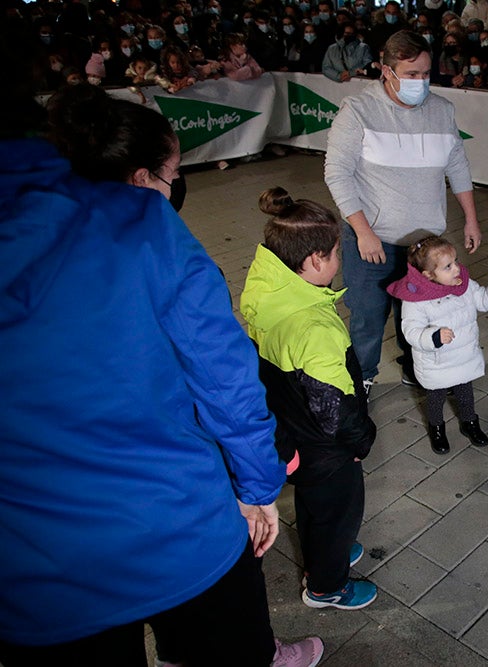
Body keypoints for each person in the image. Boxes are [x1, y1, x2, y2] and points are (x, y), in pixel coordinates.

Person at [0, 80, 321, 665]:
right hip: (176, 522)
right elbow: (225, 378)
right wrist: (257, 488)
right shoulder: (143, 226)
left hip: (34, 570)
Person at [240, 187, 378, 612]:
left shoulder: (265, 289)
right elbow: (335, 409)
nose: (340, 261)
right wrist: (360, 444)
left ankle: (324, 553)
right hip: (326, 450)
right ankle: (326, 586)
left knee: (315, 505)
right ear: (316, 260)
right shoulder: (315, 328)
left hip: (291, 431)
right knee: (340, 511)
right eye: (337, 252)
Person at [324, 30, 482, 395]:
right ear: (386, 70)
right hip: (372, 243)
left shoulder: (442, 111)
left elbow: (457, 166)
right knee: (368, 317)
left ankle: (415, 365)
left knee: (418, 314)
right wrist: (363, 231)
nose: (421, 82)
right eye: (411, 75)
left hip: (423, 249)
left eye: (426, 74)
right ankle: (362, 375)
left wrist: (471, 218)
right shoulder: (358, 111)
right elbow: (337, 173)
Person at [387, 236, 488, 454]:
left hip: (463, 357)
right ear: (428, 275)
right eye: (448, 266)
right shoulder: (415, 298)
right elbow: (411, 330)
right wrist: (432, 337)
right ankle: (436, 429)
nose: (456, 269)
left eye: (455, 261)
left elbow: (481, 300)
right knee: (435, 399)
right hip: (437, 363)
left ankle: (470, 423)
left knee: (465, 394)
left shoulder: (462, 284)